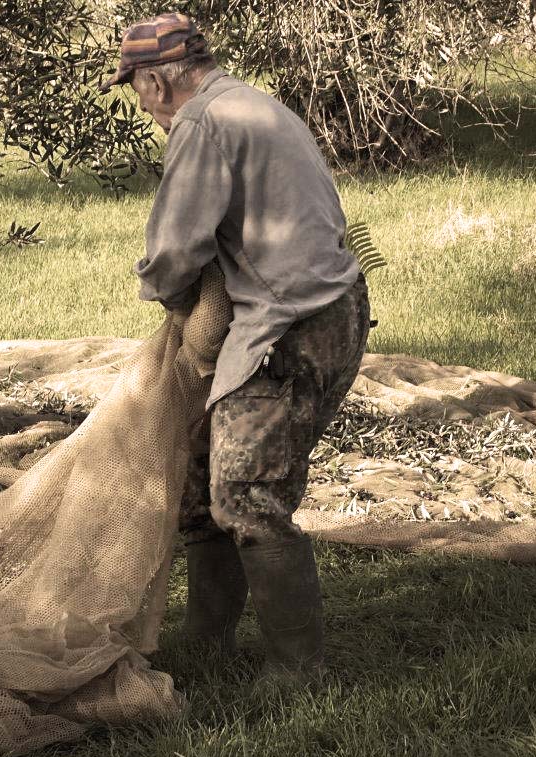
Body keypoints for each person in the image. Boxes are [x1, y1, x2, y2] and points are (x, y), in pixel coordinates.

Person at [102, 12, 373, 680]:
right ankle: (206, 639)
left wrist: (175, 306)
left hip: (290, 326)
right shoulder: (249, 102)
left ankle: (296, 671)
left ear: (159, 81)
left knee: (246, 495)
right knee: (199, 473)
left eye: (135, 87)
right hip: (327, 309)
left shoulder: (201, 121)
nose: (140, 104)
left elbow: (173, 252)